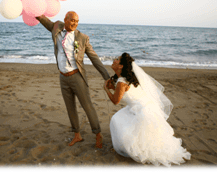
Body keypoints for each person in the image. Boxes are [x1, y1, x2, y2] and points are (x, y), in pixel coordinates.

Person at [36, 11, 111, 148]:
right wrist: (33, 8)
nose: (75, 23)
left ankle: (98, 134)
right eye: (72, 20)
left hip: (77, 77)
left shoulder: (82, 38)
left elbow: (94, 58)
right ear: (65, 19)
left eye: (77, 21)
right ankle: (77, 135)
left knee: (87, 106)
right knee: (70, 107)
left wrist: (107, 77)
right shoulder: (56, 27)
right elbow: (43, 19)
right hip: (63, 77)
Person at [104, 53, 191, 165]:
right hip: (145, 106)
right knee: (120, 118)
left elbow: (116, 101)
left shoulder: (122, 82)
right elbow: (124, 92)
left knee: (117, 120)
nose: (114, 60)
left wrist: (106, 89)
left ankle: (131, 148)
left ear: (121, 66)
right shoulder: (129, 78)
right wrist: (113, 87)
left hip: (141, 111)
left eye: (117, 59)